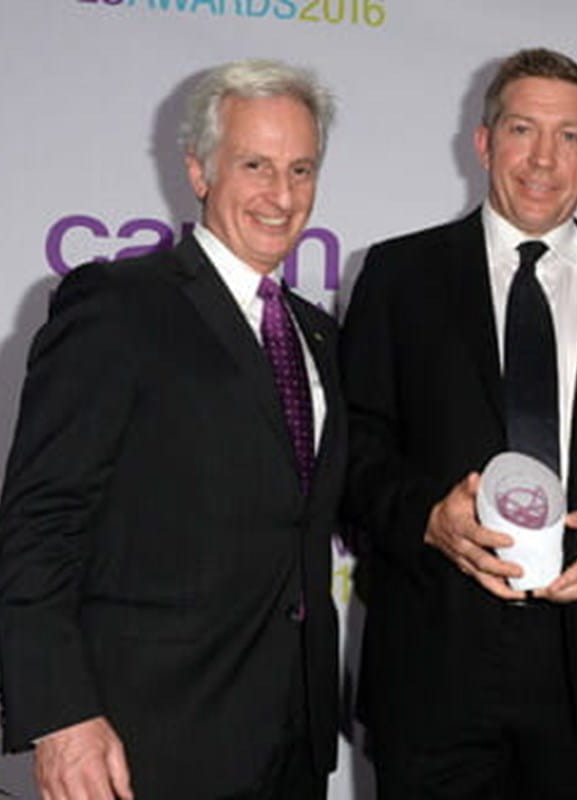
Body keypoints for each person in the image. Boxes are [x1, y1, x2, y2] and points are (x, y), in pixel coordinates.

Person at [340, 47, 577, 799]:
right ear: (483, 140)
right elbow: (354, 448)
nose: (543, 158)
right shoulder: (399, 278)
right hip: (433, 662)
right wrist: (428, 520)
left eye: (569, 137)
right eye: (523, 130)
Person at [0, 59, 345, 799]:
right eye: (255, 165)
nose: (281, 196)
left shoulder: (320, 337)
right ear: (199, 171)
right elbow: (39, 524)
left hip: (295, 741)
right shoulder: (117, 308)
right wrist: (62, 716)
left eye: (301, 169)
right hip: (147, 743)